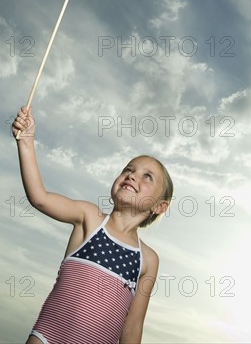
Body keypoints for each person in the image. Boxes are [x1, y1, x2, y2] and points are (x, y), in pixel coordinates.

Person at [12, 106, 173, 344]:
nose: (132, 176)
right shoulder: (90, 217)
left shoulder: (148, 260)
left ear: (159, 206)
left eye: (146, 176)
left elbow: (133, 326)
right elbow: (40, 198)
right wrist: (26, 141)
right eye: (128, 170)